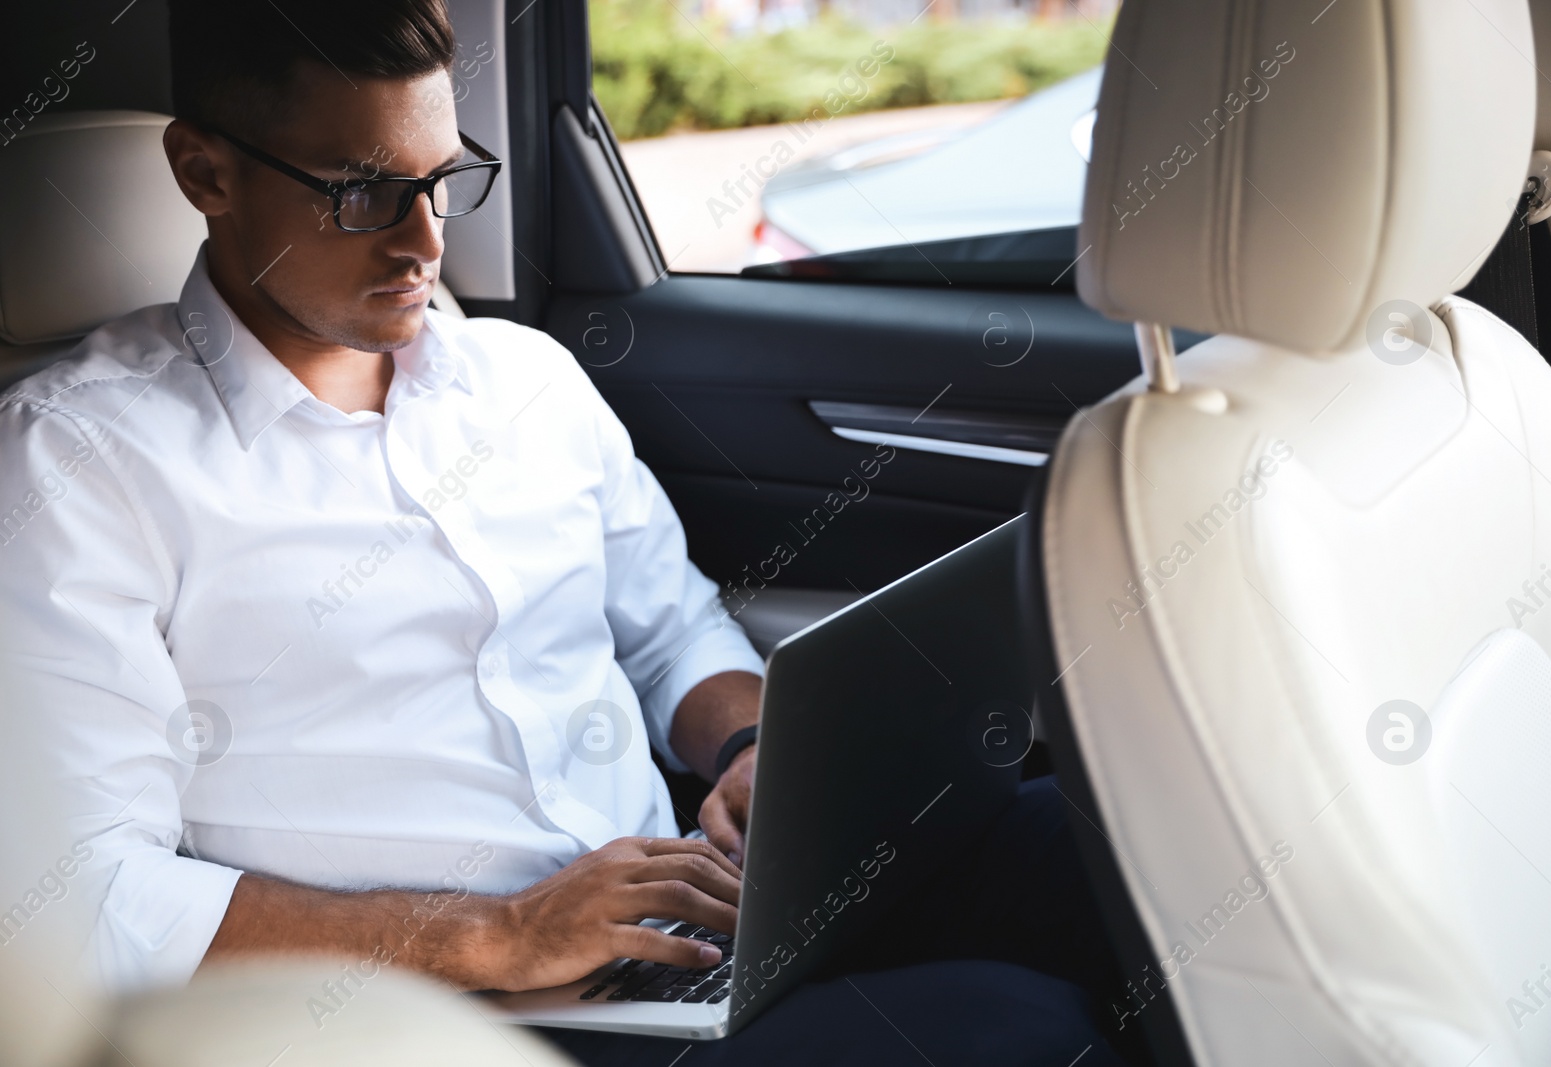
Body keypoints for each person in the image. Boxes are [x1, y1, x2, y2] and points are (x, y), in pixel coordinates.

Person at [0, 2, 1125, 1062]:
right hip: (455, 1011)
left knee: (1111, 840)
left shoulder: (526, 377)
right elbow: (85, 892)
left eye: (443, 179)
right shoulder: (77, 466)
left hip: (698, 907)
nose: (421, 241)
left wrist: (745, 749)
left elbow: (668, 630)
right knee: (1017, 1026)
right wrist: (500, 932)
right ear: (207, 171)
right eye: (359, 192)